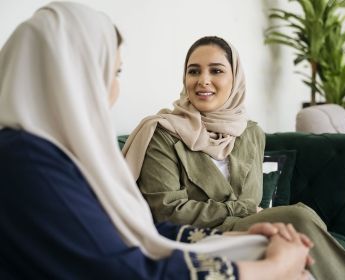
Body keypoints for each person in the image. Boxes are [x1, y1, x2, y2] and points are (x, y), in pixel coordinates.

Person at [0, 2, 316, 280]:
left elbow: (135, 228)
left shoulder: (55, 154)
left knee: (275, 242)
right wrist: (270, 271)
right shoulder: (26, 161)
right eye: (114, 71)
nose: (113, 91)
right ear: (70, 76)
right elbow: (128, 269)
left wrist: (236, 234)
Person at [123, 36, 345, 279]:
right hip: (201, 237)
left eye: (216, 70)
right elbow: (168, 211)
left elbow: (251, 198)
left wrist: (249, 212)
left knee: (296, 225)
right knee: (296, 217)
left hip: (251, 228)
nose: (203, 80)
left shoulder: (250, 132)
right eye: (194, 71)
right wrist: (244, 209)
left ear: (235, 79)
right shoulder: (162, 133)